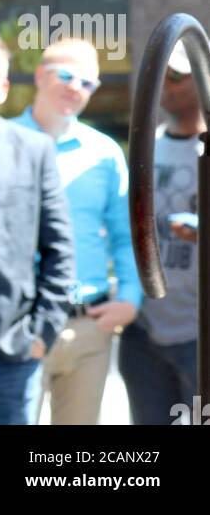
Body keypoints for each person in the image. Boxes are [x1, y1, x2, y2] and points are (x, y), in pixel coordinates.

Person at [13, 38, 142, 425]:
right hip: (21, 323)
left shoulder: (104, 153)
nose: (76, 88)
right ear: (39, 75)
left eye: (88, 83)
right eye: (66, 76)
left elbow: (126, 233)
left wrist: (131, 298)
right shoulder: (1, 141)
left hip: (88, 327)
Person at [0, 23, 74, 424]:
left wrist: (42, 334)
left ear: (3, 88)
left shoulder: (34, 151)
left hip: (10, 354)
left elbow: (60, 249)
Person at [119, 41, 204, 424]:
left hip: (198, 331)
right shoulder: (146, 148)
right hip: (146, 330)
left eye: (175, 75)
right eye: (159, 76)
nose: (164, 86)